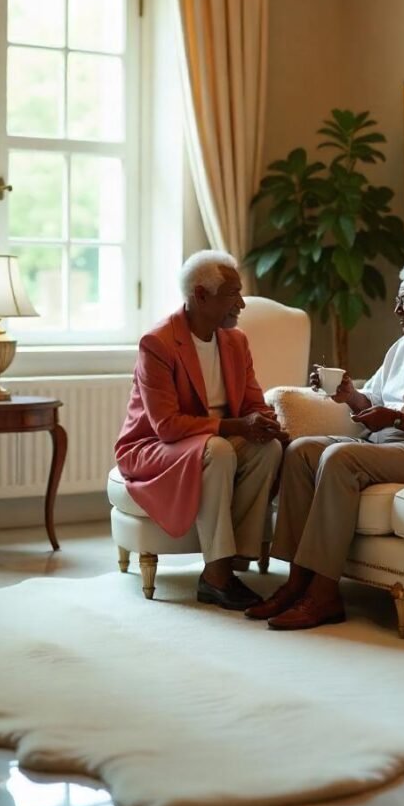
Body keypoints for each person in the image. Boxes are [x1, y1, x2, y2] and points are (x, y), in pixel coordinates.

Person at [246, 259, 404, 630]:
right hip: (388, 442)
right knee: (302, 451)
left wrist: (398, 419)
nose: (397, 310)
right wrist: (350, 396)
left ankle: (323, 595)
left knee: (341, 457)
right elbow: (375, 402)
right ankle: (295, 582)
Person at [115, 250, 286, 612]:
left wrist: (267, 423)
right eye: (232, 294)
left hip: (212, 442)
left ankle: (232, 562)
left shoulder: (236, 342)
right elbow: (167, 425)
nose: (241, 303)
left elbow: (254, 402)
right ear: (201, 295)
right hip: (154, 446)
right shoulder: (158, 343)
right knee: (220, 449)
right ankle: (217, 577)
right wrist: (236, 426)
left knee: (266, 449)